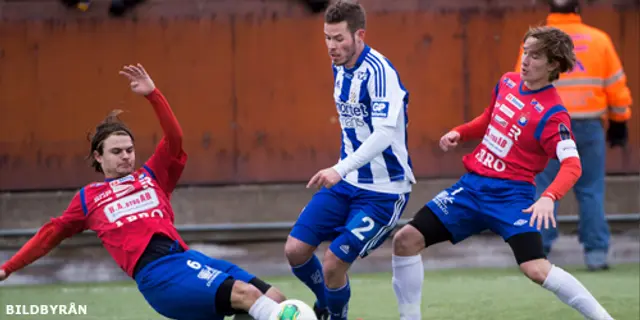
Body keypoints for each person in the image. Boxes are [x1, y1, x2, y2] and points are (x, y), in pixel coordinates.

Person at [0, 64, 285, 320]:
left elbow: (174, 138)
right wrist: (8, 267)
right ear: (98, 157)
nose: (125, 156)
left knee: (275, 299)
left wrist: (153, 95)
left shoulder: (151, 176)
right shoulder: (89, 198)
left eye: (129, 150)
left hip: (187, 259)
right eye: (116, 151)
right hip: (159, 275)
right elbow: (50, 234)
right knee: (247, 296)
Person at [391, 27, 615, 320]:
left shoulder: (553, 114)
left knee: (535, 268)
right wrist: (461, 132)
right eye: (525, 51)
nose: (525, 60)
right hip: (471, 189)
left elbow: (573, 165)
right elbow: (489, 117)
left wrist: (549, 196)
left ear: (553, 65)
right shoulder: (508, 83)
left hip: (511, 197)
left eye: (535, 56)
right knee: (405, 240)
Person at [283, 1, 415, 319]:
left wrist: (339, 168)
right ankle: (325, 303)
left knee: (333, 262)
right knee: (295, 250)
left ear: (360, 35)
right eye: (327, 38)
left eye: (339, 38)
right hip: (346, 183)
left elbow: (383, 134)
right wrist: (343, 171)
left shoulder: (380, 72)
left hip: (383, 192)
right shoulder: (340, 66)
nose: (332, 46)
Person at [514, 0, 633, 271]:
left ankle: (536, 250)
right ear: (578, 9)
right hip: (588, 125)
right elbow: (615, 85)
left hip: (546, 125)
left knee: (543, 189)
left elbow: (522, 83)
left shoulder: (534, 42)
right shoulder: (599, 40)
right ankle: (596, 255)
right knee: (590, 190)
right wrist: (619, 121)